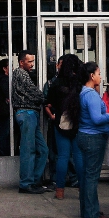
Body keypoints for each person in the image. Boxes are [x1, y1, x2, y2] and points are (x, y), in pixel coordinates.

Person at [76, 62, 109, 218]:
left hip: (84, 135)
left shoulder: (83, 93)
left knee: (86, 175)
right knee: (91, 176)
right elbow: (97, 118)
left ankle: (87, 209)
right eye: (98, 73)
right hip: (93, 137)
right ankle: (91, 213)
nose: (100, 76)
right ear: (91, 76)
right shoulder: (90, 95)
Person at [45, 54, 83, 198]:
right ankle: (81, 188)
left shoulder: (56, 83)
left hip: (60, 122)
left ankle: (60, 191)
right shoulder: (79, 83)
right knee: (78, 155)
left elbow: (49, 103)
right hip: (77, 122)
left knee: (62, 156)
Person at [12, 50, 50, 194]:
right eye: (30, 61)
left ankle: (34, 180)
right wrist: (46, 99)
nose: (32, 64)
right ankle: (26, 183)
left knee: (43, 150)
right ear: (22, 62)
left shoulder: (22, 74)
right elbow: (33, 91)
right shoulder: (21, 74)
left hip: (31, 114)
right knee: (29, 150)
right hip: (26, 113)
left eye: (33, 61)